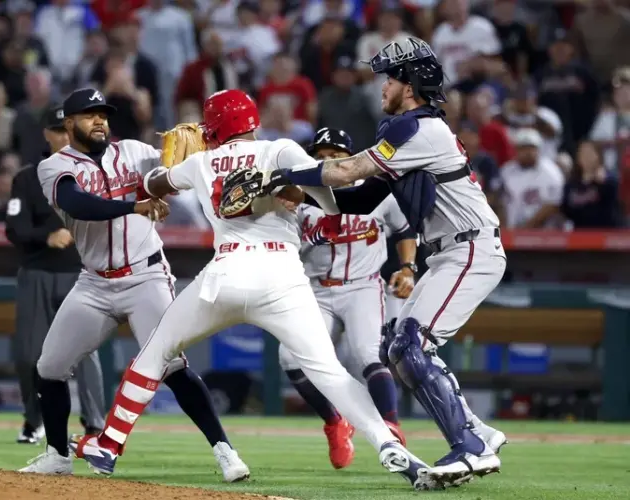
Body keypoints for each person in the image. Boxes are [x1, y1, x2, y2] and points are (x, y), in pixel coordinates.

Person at [70, 89, 441, 492]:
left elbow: (153, 182)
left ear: (212, 127)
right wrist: (296, 190)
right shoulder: (281, 150)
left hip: (226, 273)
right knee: (330, 373)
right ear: (251, 123)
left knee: (157, 352)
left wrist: (169, 168)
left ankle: (108, 445)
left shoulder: (201, 161)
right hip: (283, 277)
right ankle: (389, 444)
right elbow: (332, 205)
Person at [261, 36, 508, 488]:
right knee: (401, 347)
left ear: (411, 82)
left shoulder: (416, 128)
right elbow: (359, 199)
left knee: (411, 344)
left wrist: (281, 174)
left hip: (470, 247)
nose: (382, 85)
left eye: (391, 77)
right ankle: (480, 433)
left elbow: (347, 171)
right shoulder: (407, 131)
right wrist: (304, 192)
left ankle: (469, 446)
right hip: (454, 249)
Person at [19, 88, 249, 482]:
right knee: (49, 367)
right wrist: (135, 204)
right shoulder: (53, 167)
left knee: (172, 366)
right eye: (89, 115)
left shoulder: (135, 152)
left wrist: (194, 160)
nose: (99, 121)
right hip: (94, 284)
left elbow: (171, 178)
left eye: (103, 114)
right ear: (69, 123)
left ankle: (225, 451)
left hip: (146, 277)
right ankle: (57, 454)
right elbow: (78, 205)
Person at [277, 127, 417, 470]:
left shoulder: (375, 192)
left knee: (368, 355)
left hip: (362, 286)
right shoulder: (300, 198)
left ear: (350, 158)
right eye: (321, 155)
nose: (327, 160)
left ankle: (390, 427)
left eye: (336, 155)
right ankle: (334, 421)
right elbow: (284, 246)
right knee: (290, 359)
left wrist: (409, 267)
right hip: (316, 288)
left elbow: (404, 230)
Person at [4, 106, 106, 445]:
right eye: (58, 130)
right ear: (47, 134)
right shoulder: (27, 177)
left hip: (81, 273)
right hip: (37, 271)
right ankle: (35, 420)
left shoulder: (92, 171)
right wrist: (46, 237)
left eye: (68, 129)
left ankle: (94, 427)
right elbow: (14, 228)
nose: (64, 136)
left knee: (86, 353)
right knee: (28, 355)